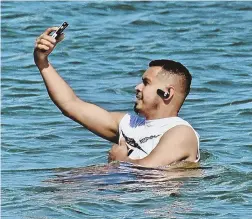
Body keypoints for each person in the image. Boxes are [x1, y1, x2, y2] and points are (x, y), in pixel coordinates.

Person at [34, 27, 200, 168]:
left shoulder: (181, 133)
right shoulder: (128, 124)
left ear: (167, 93)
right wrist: (42, 62)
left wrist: (121, 161)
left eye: (146, 83)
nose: (137, 87)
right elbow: (71, 105)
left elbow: (149, 174)